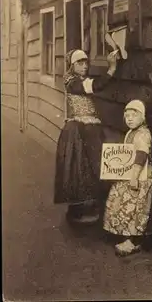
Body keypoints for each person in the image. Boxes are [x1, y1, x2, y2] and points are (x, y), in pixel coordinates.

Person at [54, 48, 118, 224]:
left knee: (90, 167)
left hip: (90, 128)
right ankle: (77, 211)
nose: (84, 66)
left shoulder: (80, 80)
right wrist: (111, 69)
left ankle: (87, 207)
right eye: (79, 63)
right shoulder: (71, 82)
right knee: (78, 168)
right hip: (79, 130)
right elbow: (96, 86)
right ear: (72, 65)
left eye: (85, 63)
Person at [103, 99, 152, 256]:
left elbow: (141, 156)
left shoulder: (143, 134)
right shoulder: (131, 132)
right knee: (120, 198)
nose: (130, 119)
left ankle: (134, 240)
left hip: (140, 175)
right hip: (130, 173)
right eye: (127, 116)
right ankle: (124, 232)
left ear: (143, 117)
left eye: (134, 115)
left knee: (136, 206)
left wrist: (134, 177)